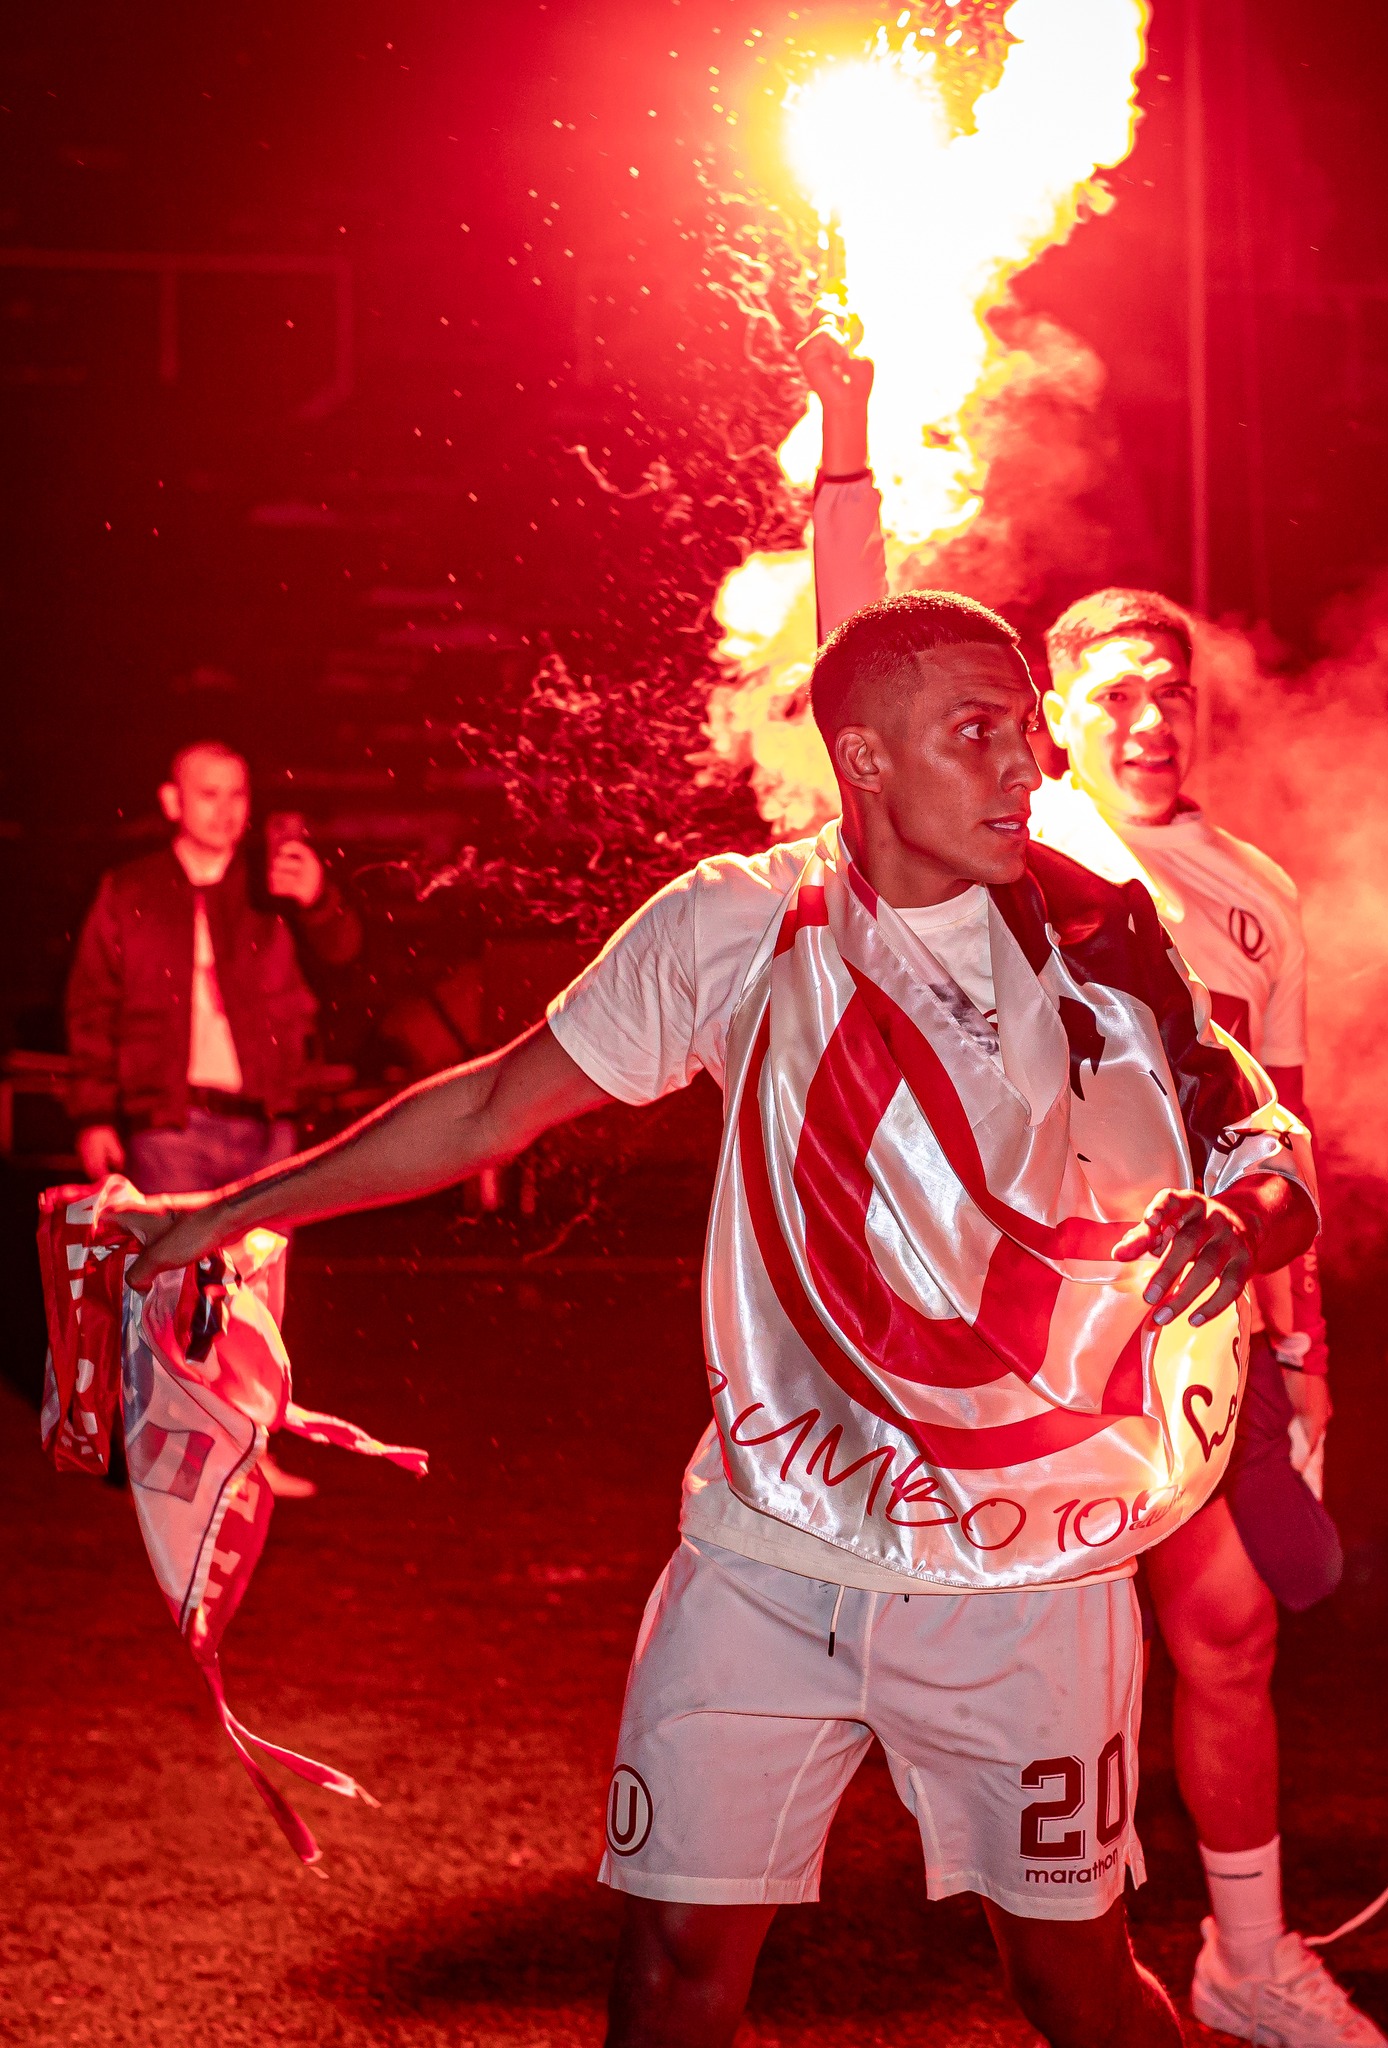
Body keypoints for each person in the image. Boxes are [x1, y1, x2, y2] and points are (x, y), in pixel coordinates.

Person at [116, 589, 1318, 2048]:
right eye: (980, 731)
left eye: (1028, 730)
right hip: (768, 1549)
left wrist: (1239, 1220)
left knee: (1066, 1983)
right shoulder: (735, 924)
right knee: (677, 1970)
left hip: (1025, 1569)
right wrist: (234, 1210)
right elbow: (493, 1102)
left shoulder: (1096, 930)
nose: (1032, 766)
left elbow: (1258, 1142)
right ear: (864, 762)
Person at [803, 329, 1385, 2048]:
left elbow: (1285, 1136)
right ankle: (1077, 1945)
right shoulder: (1014, 834)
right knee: (1046, 1675)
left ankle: (1247, 1958)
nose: (1145, 716)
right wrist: (844, 438)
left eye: (1169, 689)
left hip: (1199, 1325)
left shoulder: (1261, 894)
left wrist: (1304, 1351)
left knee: (1225, 1631)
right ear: (1049, 717)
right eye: (1108, 691)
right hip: (1013, 1337)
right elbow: (858, 662)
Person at [66, 739, 361, 1197]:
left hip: (270, 1129)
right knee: (174, 1269)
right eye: (208, 794)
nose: (225, 809)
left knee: (262, 1270)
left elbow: (345, 959)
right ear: (172, 801)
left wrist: (319, 902)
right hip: (169, 1131)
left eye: (237, 794)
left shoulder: (275, 887)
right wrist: (94, 1118)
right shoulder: (129, 892)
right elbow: (92, 1009)